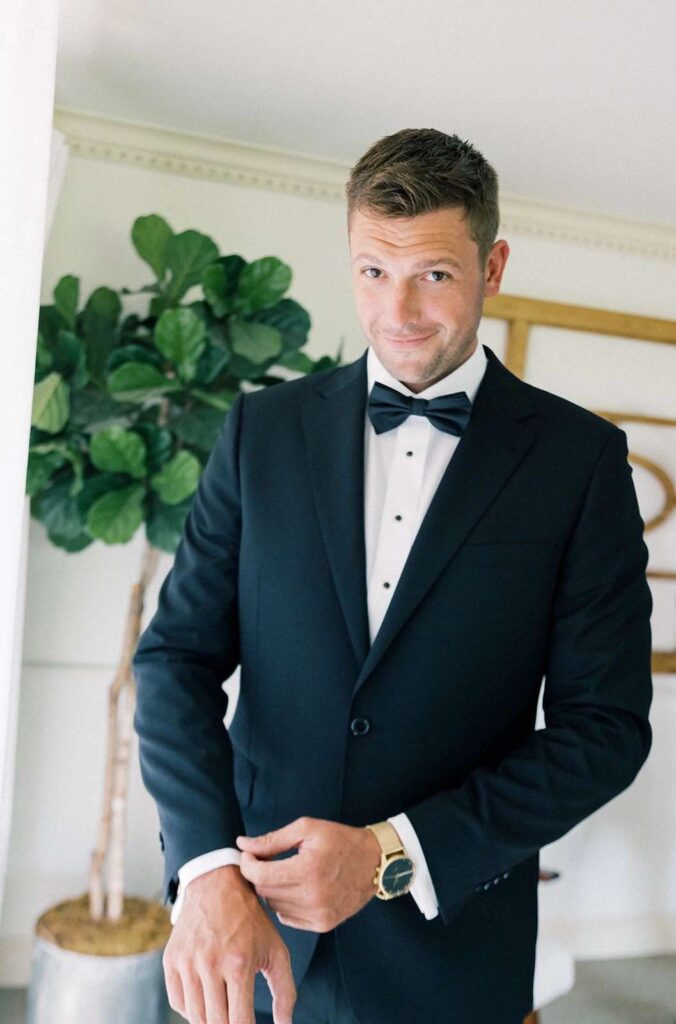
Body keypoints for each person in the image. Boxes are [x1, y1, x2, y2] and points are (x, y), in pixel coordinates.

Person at [132, 128, 653, 1024]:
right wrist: (208, 868)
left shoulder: (583, 463)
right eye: (373, 271)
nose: (399, 310)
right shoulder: (261, 432)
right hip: (244, 934)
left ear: (492, 267)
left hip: (450, 957)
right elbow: (173, 659)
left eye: (434, 276)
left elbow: (605, 730)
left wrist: (389, 855)